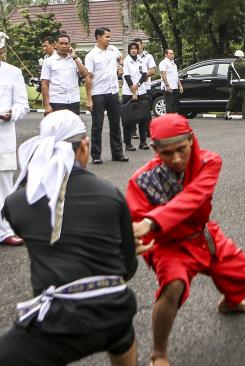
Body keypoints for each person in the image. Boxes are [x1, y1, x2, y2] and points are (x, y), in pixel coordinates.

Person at [0, 110, 145, 366]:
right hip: (115, 311)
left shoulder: (16, 203)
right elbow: (127, 269)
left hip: (58, 323)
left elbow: (35, 232)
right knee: (121, 330)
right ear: (84, 146)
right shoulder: (110, 194)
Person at [126, 114, 245, 366]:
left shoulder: (209, 162)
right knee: (173, 286)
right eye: (167, 153)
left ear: (191, 139)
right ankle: (159, 353)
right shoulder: (141, 181)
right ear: (155, 150)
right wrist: (133, 240)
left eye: (181, 149)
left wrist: (151, 221)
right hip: (168, 244)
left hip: (202, 234)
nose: (176, 159)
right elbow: (134, 222)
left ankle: (230, 303)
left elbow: (192, 198)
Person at [0, 32, 29, 247]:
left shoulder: (13, 73)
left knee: (5, 186)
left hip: (3, 135)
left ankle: (5, 231)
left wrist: (12, 113)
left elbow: (22, 104)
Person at [85, 27, 129, 164]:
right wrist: (89, 98)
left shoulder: (113, 49)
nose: (109, 39)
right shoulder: (91, 55)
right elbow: (88, 77)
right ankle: (96, 156)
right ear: (98, 37)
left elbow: (120, 57)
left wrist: (120, 65)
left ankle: (118, 154)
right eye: (107, 37)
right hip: (98, 94)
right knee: (97, 126)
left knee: (116, 124)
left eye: (110, 37)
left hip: (113, 92)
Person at [40, 34, 90, 115]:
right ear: (55, 44)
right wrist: (46, 105)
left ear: (69, 45)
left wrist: (75, 58)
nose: (64, 46)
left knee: (73, 126)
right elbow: (44, 84)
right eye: (61, 43)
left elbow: (85, 74)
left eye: (66, 44)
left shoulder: (75, 59)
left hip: (73, 100)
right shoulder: (48, 61)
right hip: (56, 101)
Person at [122, 42, 150, 151]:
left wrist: (137, 85)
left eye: (135, 48)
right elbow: (126, 75)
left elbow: (144, 74)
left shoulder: (141, 60)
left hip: (141, 91)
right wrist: (132, 87)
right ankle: (128, 144)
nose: (133, 50)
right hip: (128, 92)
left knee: (143, 118)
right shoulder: (126, 60)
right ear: (129, 50)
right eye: (131, 48)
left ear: (137, 50)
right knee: (128, 119)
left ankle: (143, 142)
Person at [135, 38, 157, 140]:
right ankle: (133, 131)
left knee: (146, 111)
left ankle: (149, 131)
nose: (136, 48)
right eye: (135, 46)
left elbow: (153, 71)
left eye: (138, 45)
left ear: (142, 45)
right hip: (134, 88)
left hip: (146, 87)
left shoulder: (148, 57)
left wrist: (143, 76)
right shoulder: (131, 58)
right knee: (133, 110)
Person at [225, 50, 245, 120]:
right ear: (241, 56)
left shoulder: (231, 64)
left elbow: (228, 76)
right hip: (243, 83)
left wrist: (229, 85)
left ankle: (227, 114)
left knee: (232, 98)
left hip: (234, 84)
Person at [159, 49, 183, 114]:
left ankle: (173, 121)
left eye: (173, 53)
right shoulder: (163, 63)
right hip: (168, 87)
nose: (173, 55)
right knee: (169, 105)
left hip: (175, 87)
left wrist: (180, 85)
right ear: (166, 54)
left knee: (174, 105)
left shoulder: (174, 64)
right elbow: (163, 74)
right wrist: (167, 85)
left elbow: (176, 75)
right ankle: (169, 122)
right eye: (171, 53)